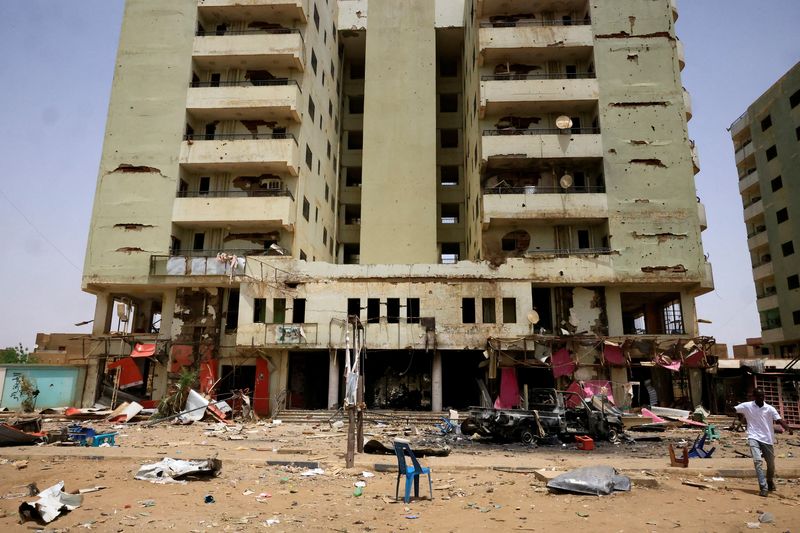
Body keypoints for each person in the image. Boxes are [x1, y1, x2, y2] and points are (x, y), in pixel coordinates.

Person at [735, 389, 794, 496]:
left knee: (771, 465)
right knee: (757, 461)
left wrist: (787, 427)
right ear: (754, 397)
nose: (761, 398)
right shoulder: (747, 406)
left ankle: (770, 480)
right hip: (753, 436)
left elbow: (779, 419)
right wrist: (742, 417)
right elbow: (735, 409)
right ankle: (763, 487)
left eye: (762, 396)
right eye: (759, 396)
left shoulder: (770, 408)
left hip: (767, 439)